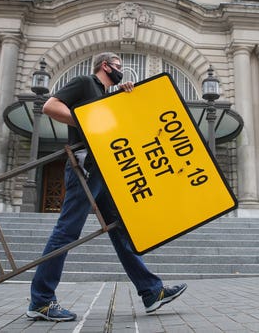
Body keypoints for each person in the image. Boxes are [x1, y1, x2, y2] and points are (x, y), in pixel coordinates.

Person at [26, 52, 187, 322]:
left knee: (119, 228)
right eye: (119, 68)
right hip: (84, 166)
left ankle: (151, 291)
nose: (121, 72)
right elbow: (50, 107)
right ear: (105, 66)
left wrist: (125, 96)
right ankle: (41, 301)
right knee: (67, 230)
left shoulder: (105, 94)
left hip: (104, 168)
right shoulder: (85, 82)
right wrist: (87, 121)